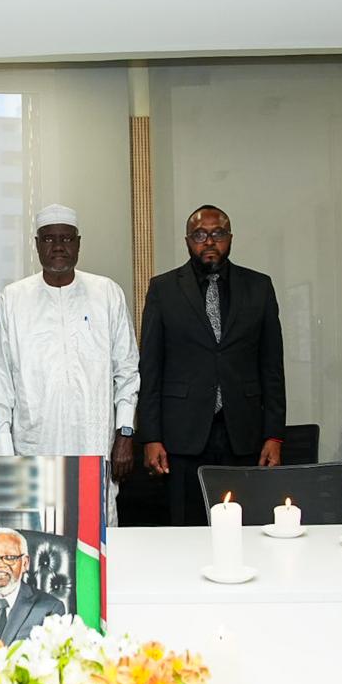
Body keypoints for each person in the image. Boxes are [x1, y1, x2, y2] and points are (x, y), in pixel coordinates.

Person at [0, 204, 140, 526]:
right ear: (37, 244)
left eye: (66, 239)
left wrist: (125, 433)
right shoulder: (13, 299)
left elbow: (127, 372)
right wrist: (4, 455)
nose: (58, 246)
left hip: (93, 445)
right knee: (35, 537)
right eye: (49, 239)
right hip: (34, 447)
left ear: (79, 243)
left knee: (94, 536)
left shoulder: (106, 293)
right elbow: (0, 383)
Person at [137, 204, 285, 526]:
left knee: (244, 526)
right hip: (181, 434)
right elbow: (150, 368)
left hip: (243, 432)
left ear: (230, 238)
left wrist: (274, 435)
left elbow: (272, 367)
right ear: (187, 241)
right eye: (199, 235)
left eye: (217, 233)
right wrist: (151, 437)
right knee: (186, 528)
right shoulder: (163, 289)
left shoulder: (259, 287)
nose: (209, 242)